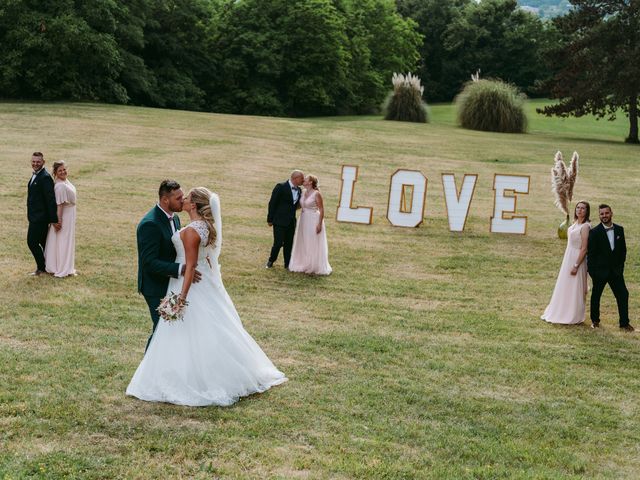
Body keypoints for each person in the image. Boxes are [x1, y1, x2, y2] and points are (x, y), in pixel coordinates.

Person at [127, 188, 287, 406]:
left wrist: (181, 298)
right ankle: (168, 372)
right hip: (180, 281)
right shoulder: (201, 227)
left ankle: (178, 377)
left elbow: (191, 265)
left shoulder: (192, 229)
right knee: (187, 331)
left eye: (186, 197)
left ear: (193, 205)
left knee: (182, 332)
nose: (182, 200)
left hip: (186, 285)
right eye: (179, 197)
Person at [136, 180, 200, 351]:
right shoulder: (150, 224)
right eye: (179, 198)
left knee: (170, 330)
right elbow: (149, 263)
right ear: (165, 200)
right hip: (155, 286)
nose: (183, 200)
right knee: (161, 330)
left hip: (171, 283)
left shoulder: (175, 218)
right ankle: (147, 371)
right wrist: (182, 269)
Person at [541, 201, 591, 325]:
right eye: (578, 208)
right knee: (566, 284)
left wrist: (576, 265)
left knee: (575, 286)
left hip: (577, 259)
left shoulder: (585, 226)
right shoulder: (574, 224)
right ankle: (562, 309)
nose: (579, 210)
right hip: (568, 257)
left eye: (583, 208)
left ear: (587, 211)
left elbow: (584, 248)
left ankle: (573, 314)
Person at [587, 204, 634, 331]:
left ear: (611, 213)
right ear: (599, 215)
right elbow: (590, 255)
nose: (604, 216)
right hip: (600, 272)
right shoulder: (594, 232)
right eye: (601, 214)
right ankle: (595, 321)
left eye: (606, 213)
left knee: (623, 294)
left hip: (616, 272)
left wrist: (620, 268)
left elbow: (623, 251)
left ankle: (624, 323)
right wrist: (593, 273)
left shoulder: (620, 230)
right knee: (596, 296)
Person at [289, 175, 332, 275]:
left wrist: (319, 224)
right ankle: (303, 262)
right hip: (303, 219)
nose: (303, 180)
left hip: (313, 219)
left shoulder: (317, 194)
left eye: (306, 179)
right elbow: (299, 205)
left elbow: (321, 209)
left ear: (311, 182)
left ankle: (313, 265)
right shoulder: (303, 192)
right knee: (303, 241)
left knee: (312, 241)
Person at [27, 152, 58, 276]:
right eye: (33, 161)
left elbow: (50, 200)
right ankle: (51, 266)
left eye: (38, 161)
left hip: (40, 218)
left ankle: (41, 268)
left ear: (43, 162)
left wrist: (53, 219)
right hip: (34, 216)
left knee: (32, 242)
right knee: (44, 242)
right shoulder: (36, 175)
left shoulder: (45, 177)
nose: (35, 163)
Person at [44, 161, 77, 277]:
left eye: (64, 169)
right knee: (63, 241)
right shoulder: (60, 186)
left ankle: (65, 266)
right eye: (60, 170)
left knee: (65, 241)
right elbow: (60, 205)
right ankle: (62, 268)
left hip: (70, 214)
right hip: (65, 217)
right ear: (55, 173)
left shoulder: (64, 181)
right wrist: (59, 221)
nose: (63, 172)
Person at [266, 170, 304, 269]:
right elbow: (272, 203)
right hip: (279, 221)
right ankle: (271, 260)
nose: (303, 181)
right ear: (295, 178)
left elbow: (295, 205)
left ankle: (287, 264)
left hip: (291, 222)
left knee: (289, 243)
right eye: (301, 178)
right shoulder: (281, 187)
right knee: (278, 243)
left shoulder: (299, 190)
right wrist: (270, 219)